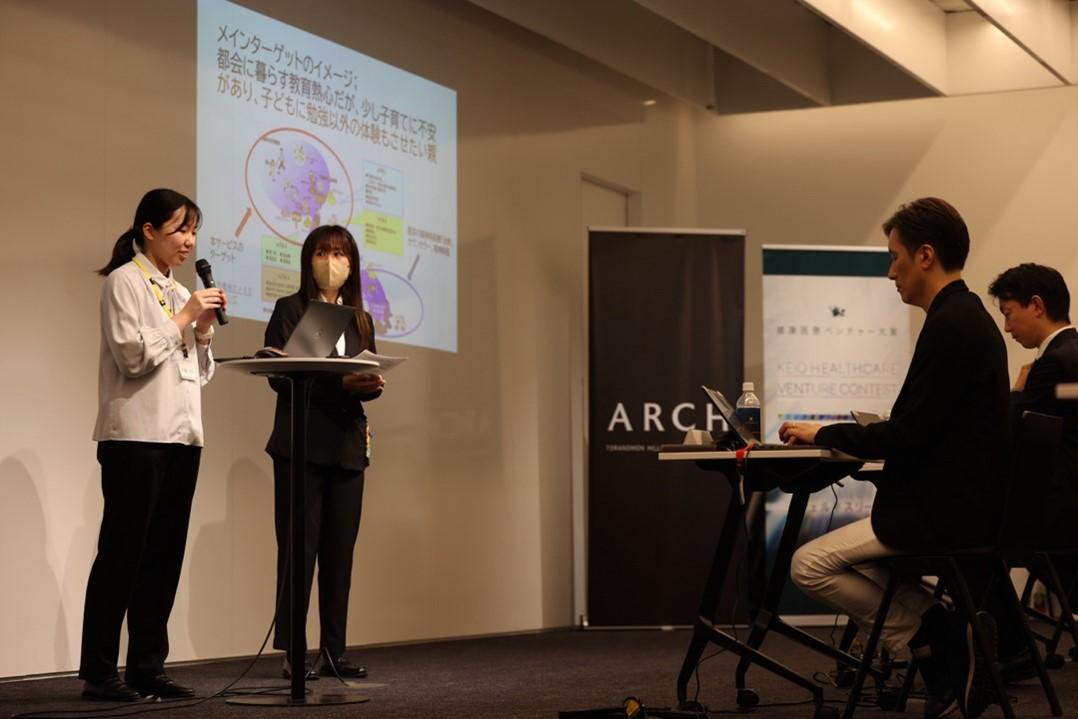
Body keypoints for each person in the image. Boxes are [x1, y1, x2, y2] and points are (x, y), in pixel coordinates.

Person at [778, 198, 1011, 719]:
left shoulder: (952, 325)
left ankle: (937, 635)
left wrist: (824, 432)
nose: (890, 272)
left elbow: (909, 434)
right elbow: (928, 428)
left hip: (944, 515)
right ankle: (943, 636)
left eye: (895, 258)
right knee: (862, 564)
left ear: (925, 255)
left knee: (808, 565)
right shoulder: (964, 317)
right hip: (964, 505)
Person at [80, 189, 226, 701]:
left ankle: (147, 666)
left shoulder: (178, 290)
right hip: (135, 438)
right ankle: (99, 671)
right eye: (180, 229)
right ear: (148, 230)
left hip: (182, 438)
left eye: (193, 231)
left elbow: (197, 374)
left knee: (164, 557)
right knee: (122, 554)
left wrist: (202, 332)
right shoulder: (124, 281)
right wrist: (185, 317)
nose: (189, 241)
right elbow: (132, 357)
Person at [264, 225, 384, 680]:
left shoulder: (361, 319)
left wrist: (370, 385)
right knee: (299, 552)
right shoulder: (290, 309)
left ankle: (334, 650)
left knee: (339, 555)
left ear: (352, 264)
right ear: (307, 260)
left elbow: (366, 375)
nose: (331, 262)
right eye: (322, 252)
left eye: (339, 254)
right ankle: (294, 652)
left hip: (347, 447)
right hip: (302, 445)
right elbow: (280, 376)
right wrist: (341, 383)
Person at [987, 262, 1078, 681]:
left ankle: (1011, 646)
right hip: (1067, 504)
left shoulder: (1053, 364)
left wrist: (1016, 391)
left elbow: (1013, 433)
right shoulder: (1072, 353)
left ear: (1036, 305)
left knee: (973, 544)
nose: (1007, 327)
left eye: (1008, 313)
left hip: (1058, 512)